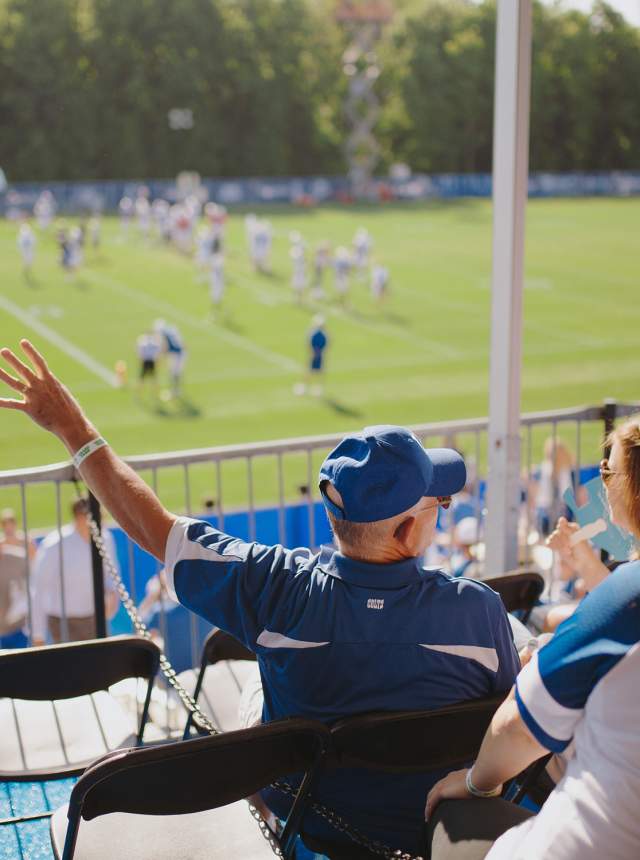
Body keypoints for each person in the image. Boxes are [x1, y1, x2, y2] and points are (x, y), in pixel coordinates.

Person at [0, 344, 520, 855]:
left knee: (261, 680)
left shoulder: (276, 590)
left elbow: (153, 529)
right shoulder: (478, 611)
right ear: (407, 530)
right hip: (435, 834)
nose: (443, 509)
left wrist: (73, 429)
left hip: (307, 831)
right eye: (439, 503)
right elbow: (512, 719)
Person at [425, 416, 640, 860]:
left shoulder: (626, 600)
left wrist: (472, 783)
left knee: (451, 819)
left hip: (588, 842)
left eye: (607, 471)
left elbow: (518, 728)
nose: (601, 480)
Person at [29, 497, 119, 645]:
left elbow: (111, 573)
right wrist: (37, 633)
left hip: (95, 618)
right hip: (62, 623)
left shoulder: (106, 538)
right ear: (80, 517)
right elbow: (38, 588)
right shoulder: (54, 545)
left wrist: (111, 594)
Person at [294, 315, 328, 396]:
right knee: (315, 372)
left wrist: (313, 353)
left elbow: (310, 344)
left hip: (316, 355)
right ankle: (313, 388)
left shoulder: (316, 333)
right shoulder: (322, 334)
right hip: (318, 355)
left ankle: (309, 388)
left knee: (311, 371)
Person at [154, 320, 187, 399]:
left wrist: (160, 356)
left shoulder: (164, 333)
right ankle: (176, 390)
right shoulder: (172, 329)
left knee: (173, 373)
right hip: (181, 353)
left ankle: (174, 391)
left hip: (176, 354)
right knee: (176, 373)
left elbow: (165, 347)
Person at [136, 330, 162, 396]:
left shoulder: (143, 342)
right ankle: (155, 392)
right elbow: (158, 352)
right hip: (151, 361)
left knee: (142, 378)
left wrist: (140, 361)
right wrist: (157, 361)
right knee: (153, 378)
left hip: (146, 361)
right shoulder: (154, 342)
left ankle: (138, 392)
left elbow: (140, 353)